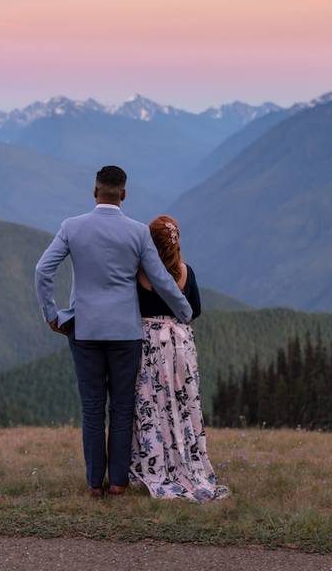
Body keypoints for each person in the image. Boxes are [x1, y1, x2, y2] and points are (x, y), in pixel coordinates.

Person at [34, 166, 192, 497]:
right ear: (123, 194)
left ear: (95, 193)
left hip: (84, 330)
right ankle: (119, 482)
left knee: (92, 408)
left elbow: (42, 270)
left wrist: (52, 315)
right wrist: (184, 310)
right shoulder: (137, 233)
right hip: (126, 333)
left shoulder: (71, 227)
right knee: (121, 408)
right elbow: (162, 280)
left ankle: (94, 484)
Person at [131, 215, 229, 502]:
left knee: (150, 403)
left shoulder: (139, 273)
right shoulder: (186, 272)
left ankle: (152, 461)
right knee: (183, 401)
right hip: (180, 346)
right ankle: (187, 459)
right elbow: (194, 309)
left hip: (150, 346)